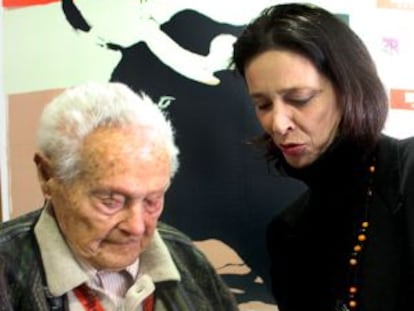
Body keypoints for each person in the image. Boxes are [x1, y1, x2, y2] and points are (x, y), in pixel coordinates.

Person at [232, 3, 414, 311]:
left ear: (349, 91)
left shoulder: (406, 175)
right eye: (263, 105)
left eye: (299, 99)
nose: (278, 124)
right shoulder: (287, 232)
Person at [0, 81, 239, 311]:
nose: (136, 227)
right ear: (48, 176)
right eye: (110, 201)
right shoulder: (7, 267)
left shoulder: (187, 258)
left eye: (152, 200)